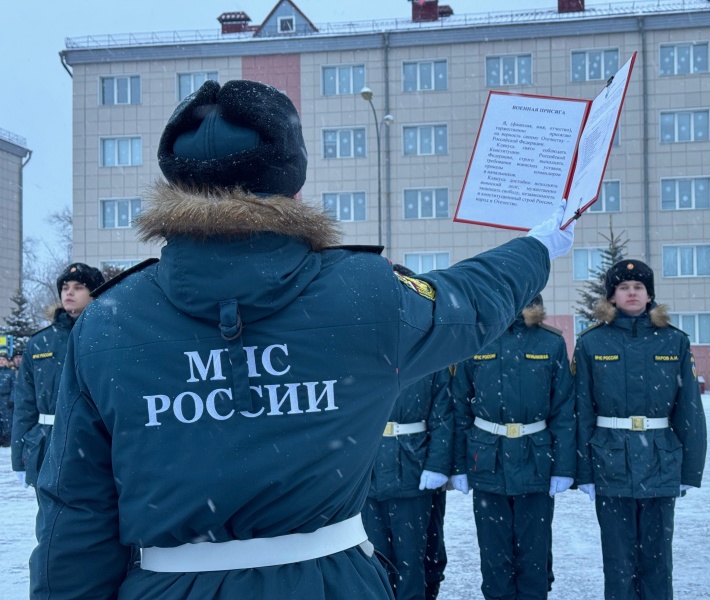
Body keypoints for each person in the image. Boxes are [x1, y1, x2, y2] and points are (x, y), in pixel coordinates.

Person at [30, 79, 574, 599]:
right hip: (328, 584)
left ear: (176, 183)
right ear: (292, 182)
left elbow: (76, 507)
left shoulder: (111, 318)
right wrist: (538, 247)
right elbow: (469, 302)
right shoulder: (365, 293)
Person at [574, 259, 707, 600]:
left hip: (660, 460)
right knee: (617, 560)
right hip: (609, 459)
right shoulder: (591, 342)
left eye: (638, 287)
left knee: (657, 560)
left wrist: (690, 470)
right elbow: (582, 412)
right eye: (623, 287)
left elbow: (688, 408)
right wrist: (584, 471)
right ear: (612, 297)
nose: (631, 293)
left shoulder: (674, 341)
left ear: (649, 296)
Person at [450, 293, 575, 600]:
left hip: (536, 460)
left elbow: (564, 410)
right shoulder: (475, 341)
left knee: (534, 556)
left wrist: (564, 467)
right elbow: (459, 407)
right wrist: (458, 465)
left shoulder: (550, 342)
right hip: (487, 460)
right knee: (494, 557)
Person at [363, 261, 453, 599]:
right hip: (369, 473)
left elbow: (444, 415)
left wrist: (436, 465)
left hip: (414, 469)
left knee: (415, 560)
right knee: (373, 558)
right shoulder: (360, 350)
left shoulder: (432, 351)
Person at [10, 262, 105, 490]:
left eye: (79, 287)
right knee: (51, 520)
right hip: (46, 445)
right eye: (65, 287)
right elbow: (24, 404)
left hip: (95, 442)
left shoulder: (108, 334)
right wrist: (18, 461)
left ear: (95, 293)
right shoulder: (40, 342)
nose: (69, 292)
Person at [0, 348, 15, 447]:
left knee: (7, 421)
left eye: (3, 360)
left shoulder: (11, 373)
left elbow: (15, 386)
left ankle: (6, 440)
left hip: (5, 400)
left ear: (7, 361)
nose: (1, 361)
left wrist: (12, 399)